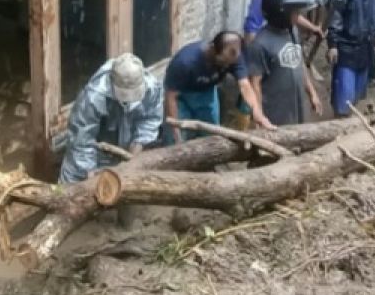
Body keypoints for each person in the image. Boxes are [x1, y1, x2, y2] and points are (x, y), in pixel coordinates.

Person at [60, 54, 163, 183]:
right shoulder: (93, 97)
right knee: (72, 189)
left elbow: (150, 119)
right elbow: (82, 140)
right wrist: (88, 174)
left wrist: (138, 147)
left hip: (124, 150)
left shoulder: (152, 88)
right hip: (94, 150)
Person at [164, 32, 273, 142]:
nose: (226, 66)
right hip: (181, 97)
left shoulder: (234, 57)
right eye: (223, 62)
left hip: (207, 93)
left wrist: (258, 113)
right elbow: (171, 97)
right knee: (178, 138)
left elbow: (245, 85)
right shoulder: (185, 62)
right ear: (213, 50)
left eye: (229, 64)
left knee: (211, 136)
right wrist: (175, 130)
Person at [249, 0, 322, 125]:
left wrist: (312, 93)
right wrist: (259, 116)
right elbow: (255, 83)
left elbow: (299, 63)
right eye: (295, 13)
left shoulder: (292, 31)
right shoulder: (260, 44)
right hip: (275, 109)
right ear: (280, 14)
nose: (298, 16)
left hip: (296, 103)